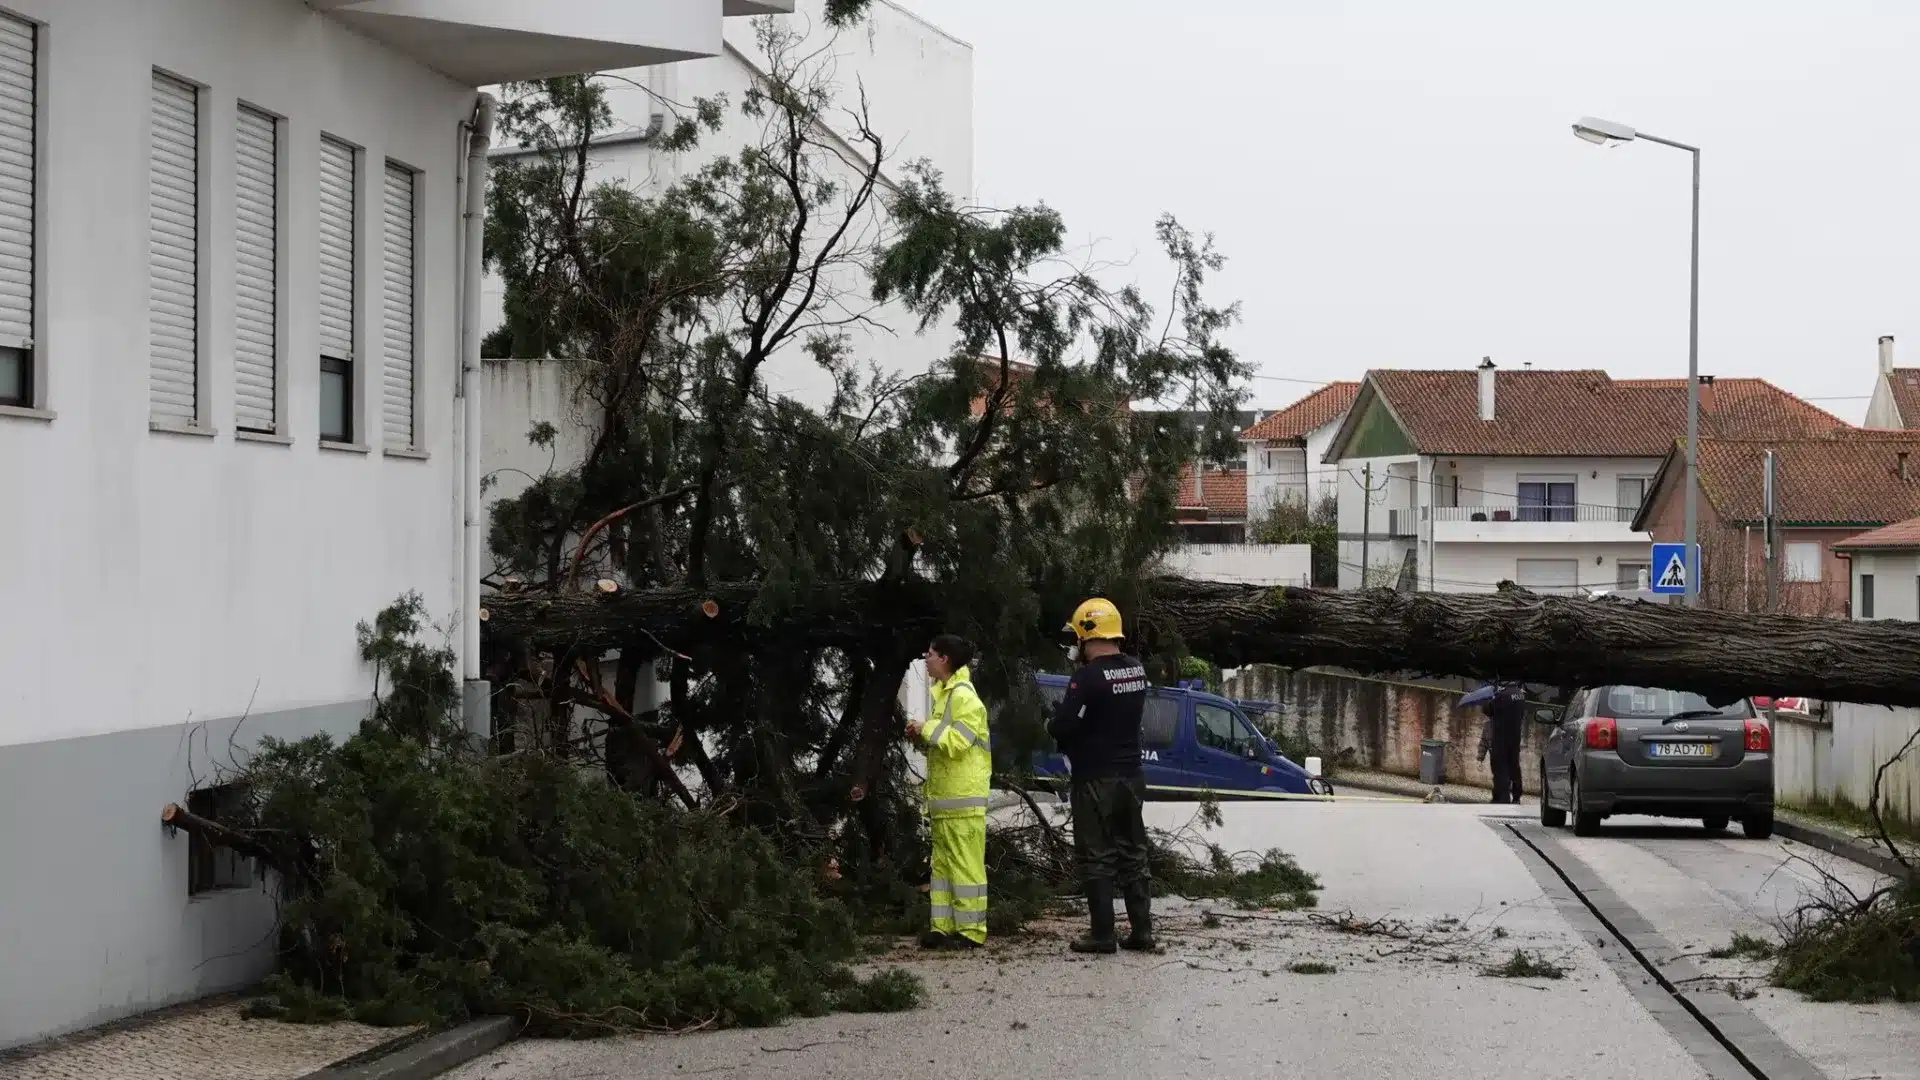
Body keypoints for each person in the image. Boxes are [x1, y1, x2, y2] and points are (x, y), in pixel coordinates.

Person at [1047, 597, 1154, 955]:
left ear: (1088, 635)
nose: (1075, 645)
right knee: (1133, 853)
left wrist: (1053, 721)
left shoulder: (1086, 677)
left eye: (1077, 636)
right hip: (1131, 775)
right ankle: (1142, 931)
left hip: (1095, 777)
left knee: (1096, 856)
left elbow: (1064, 726)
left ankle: (1103, 934)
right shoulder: (1136, 670)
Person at [908, 634, 992, 949]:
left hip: (963, 800)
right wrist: (922, 734)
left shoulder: (964, 697)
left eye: (929, 654)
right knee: (942, 869)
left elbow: (958, 742)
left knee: (966, 868)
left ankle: (971, 932)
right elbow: (943, 743)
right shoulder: (945, 695)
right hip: (946, 801)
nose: (925, 659)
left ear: (944, 659)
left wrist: (925, 728)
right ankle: (941, 928)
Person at [1481, 682, 1526, 805]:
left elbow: (1487, 710)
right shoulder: (1520, 695)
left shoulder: (1501, 696)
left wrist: (1489, 698)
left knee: (1500, 768)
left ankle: (1501, 797)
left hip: (1500, 737)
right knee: (1514, 767)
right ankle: (1516, 795)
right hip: (1515, 737)